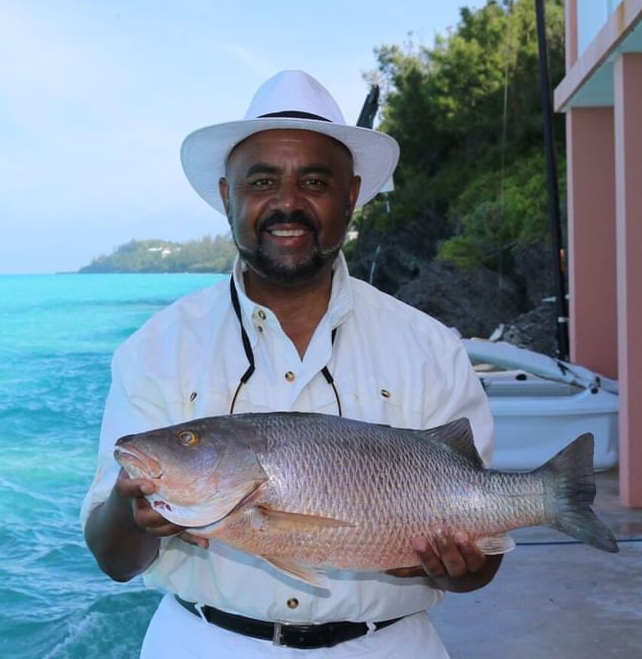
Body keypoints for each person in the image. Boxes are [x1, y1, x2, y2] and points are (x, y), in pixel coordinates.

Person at [81, 70, 499, 657]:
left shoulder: (429, 347)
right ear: (228, 195)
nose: (287, 202)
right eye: (262, 180)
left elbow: (479, 570)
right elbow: (113, 559)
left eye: (315, 181)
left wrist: (456, 566)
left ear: (350, 195)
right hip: (204, 642)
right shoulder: (156, 349)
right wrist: (131, 509)